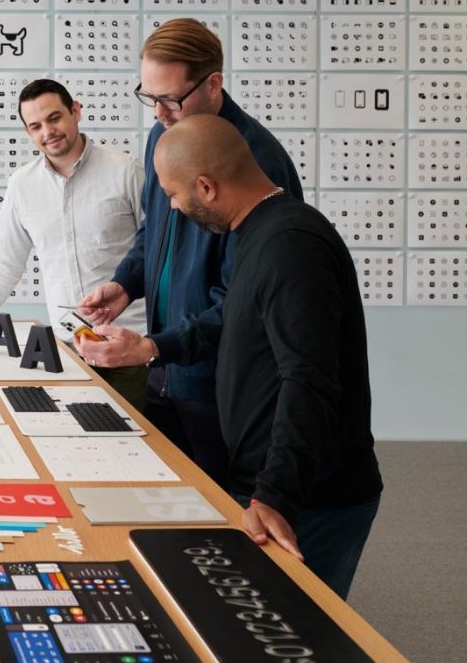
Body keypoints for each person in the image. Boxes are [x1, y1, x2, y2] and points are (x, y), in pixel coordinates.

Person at [147, 114, 382, 598]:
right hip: (272, 483)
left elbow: (309, 379)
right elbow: (232, 321)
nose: (174, 206)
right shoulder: (254, 232)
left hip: (310, 497)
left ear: (206, 187)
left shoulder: (290, 247)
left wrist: (275, 496)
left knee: (299, 633)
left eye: (174, 194)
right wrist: (155, 347)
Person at [76, 18, 303, 487]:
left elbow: (246, 302)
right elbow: (154, 230)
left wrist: (157, 346)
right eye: (149, 96)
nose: (158, 113)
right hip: (166, 367)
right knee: (173, 502)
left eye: (170, 98)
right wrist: (127, 283)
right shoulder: (165, 135)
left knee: (225, 515)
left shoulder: (259, 161)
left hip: (219, 380)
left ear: (214, 83)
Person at [0, 78, 148, 409]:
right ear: (28, 132)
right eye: (36, 126)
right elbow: (9, 258)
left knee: (137, 445)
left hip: (128, 342)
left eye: (54, 118)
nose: (47, 132)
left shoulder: (126, 171)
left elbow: (156, 249)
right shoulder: (22, 185)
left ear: (75, 111)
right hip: (67, 347)